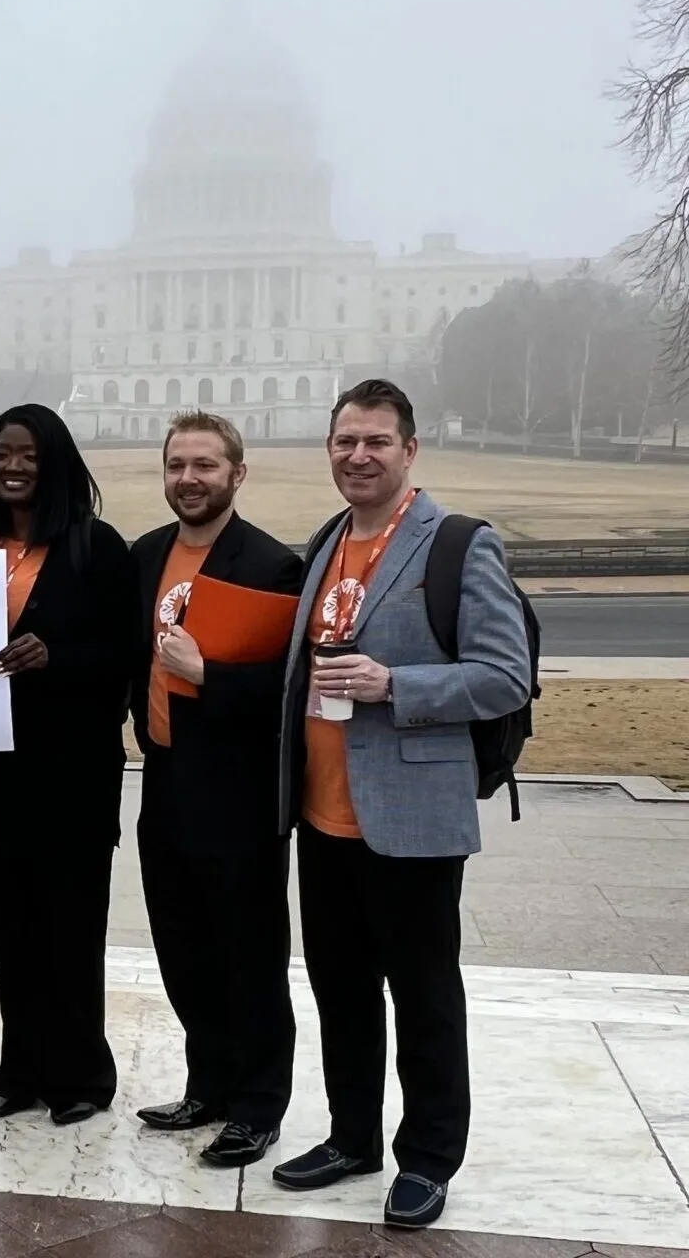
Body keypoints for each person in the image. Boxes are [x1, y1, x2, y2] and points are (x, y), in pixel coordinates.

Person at [273, 379, 531, 1231]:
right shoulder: (327, 542)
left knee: (422, 993)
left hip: (411, 812)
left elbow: (504, 677)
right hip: (322, 810)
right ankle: (353, 1135)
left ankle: (427, 1158)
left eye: (376, 441)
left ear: (409, 450)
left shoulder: (458, 543)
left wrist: (395, 684)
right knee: (339, 987)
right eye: (346, 441)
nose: (359, 456)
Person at [130, 411, 302, 1167]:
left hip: (237, 790)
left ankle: (258, 1105)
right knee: (183, 946)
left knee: (249, 953)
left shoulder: (270, 566)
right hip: (164, 778)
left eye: (205, 465)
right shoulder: (143, 558)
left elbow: (291, 691)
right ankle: (209, 1083)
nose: (189, 479)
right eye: (177, 465)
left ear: (237, 473)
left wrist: (212, 677)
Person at [0, 403, 135, 1126]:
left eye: (28, 454)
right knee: (10, 928)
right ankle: (21, 1066)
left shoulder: (97, 548)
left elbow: (127, 657)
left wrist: (56, 657)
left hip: (72, 774)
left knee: (70, 928)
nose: (13, 466)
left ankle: (81, 1073)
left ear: (55, 460)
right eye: (2, 452)